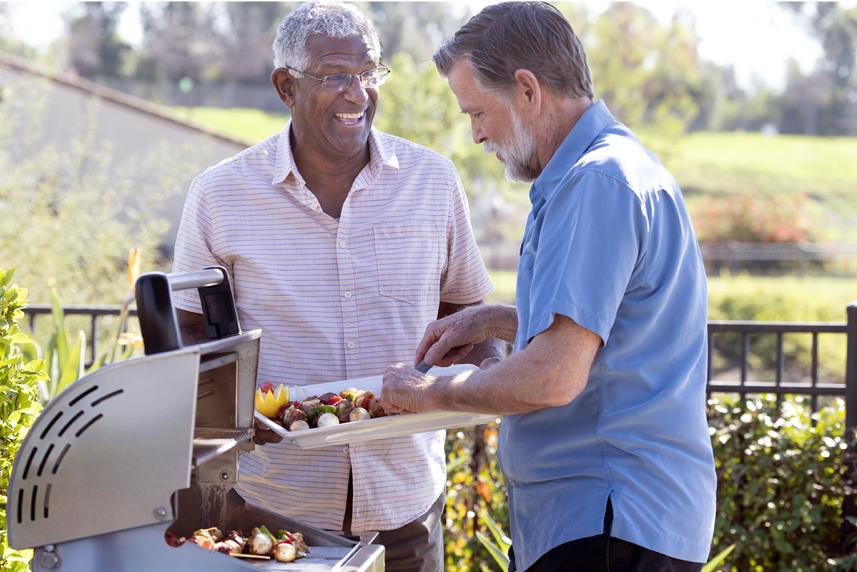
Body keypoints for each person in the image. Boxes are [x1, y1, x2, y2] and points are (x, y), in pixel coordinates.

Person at [381, 2, 717, 571]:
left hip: (607, 517)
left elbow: (554, 374)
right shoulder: (613, 167)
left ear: (528, 90)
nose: (476, 134)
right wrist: (492, 320)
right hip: (609, 519)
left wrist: (430, 393)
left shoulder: (595, 184)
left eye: (478, 111)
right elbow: (614, 328)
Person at [171, 3, 500, 570]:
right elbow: (188, 336)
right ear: (285, 86)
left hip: (407, 507)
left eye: (369, 73)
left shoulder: (432, 182)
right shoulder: (221, 196)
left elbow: (468, 316)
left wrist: (481, 383)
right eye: (335, 76)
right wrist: (237, 415)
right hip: (276, 515)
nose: (358, 93)